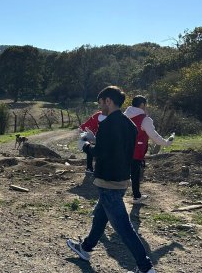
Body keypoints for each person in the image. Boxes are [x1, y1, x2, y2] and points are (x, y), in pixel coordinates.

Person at [67, 86, 156, 273]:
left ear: (108, 101)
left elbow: (99, 152)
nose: (100, 108)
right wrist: (96, 140)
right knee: (100, 216)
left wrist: (85, 145)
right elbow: (120, 150)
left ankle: (146, 267)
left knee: (124, 227)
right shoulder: (131, 125)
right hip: (122, 179)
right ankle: (85, 249)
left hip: (108, 181)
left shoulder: (107, 124)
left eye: (101, 103)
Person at [124, 96, 174, 204]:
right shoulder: (144, 119)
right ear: (142, 104)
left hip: (122, 150)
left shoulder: (123, 116)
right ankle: (136, 197)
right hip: (136, 151)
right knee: (135, 174)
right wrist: (166, 142)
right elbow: (154, 136)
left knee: (125, 173)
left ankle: (119, 194)